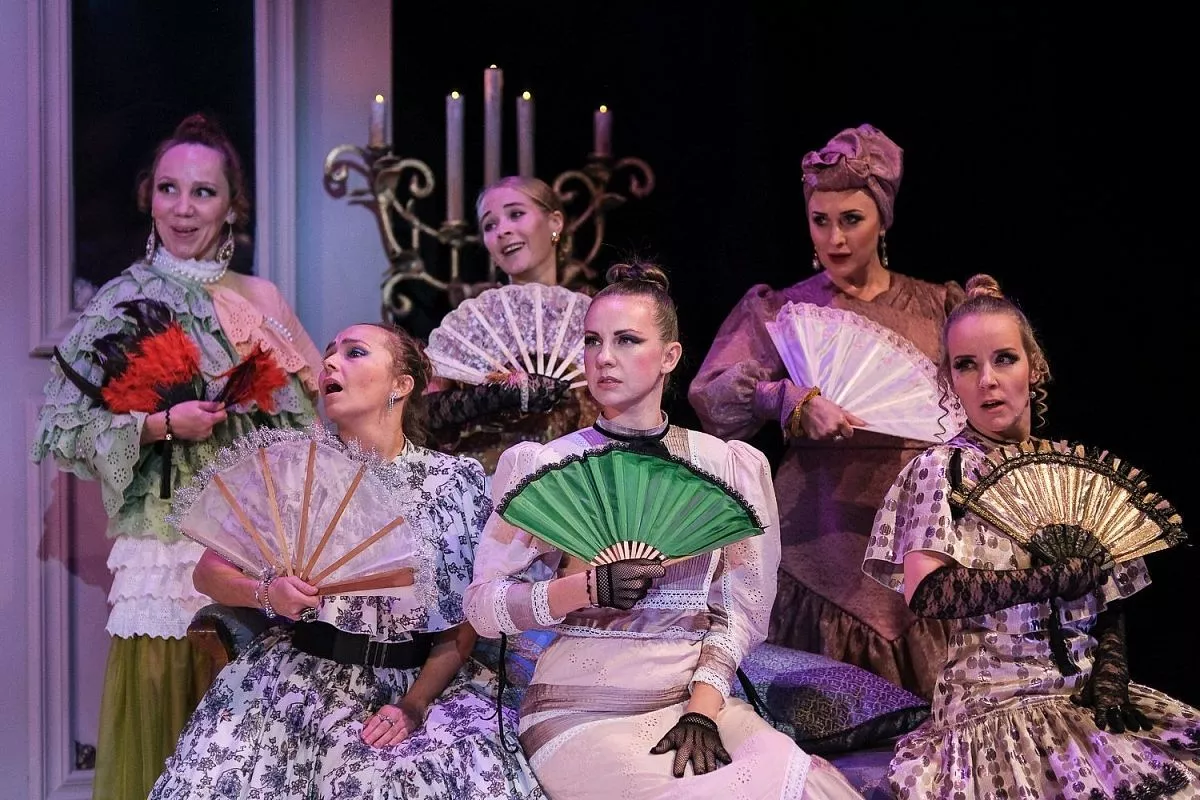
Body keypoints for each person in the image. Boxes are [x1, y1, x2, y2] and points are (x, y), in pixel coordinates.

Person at [465, 262, 864, 799]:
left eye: (627, 340)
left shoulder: (725, 466)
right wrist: (585, 589)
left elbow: (736, 615)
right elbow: (484, 608)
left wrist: (701, 711)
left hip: (692, 704)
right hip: (579, 710)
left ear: (670, 356)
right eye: (593, 341)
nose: (604, 358)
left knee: (806, 785)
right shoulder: (544, 465)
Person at [31, 113, 321, 800]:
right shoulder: (121, 302)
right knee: (167, 722)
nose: (183, 208)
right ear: (148, 198)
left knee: (249, 732)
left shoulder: (260, 299)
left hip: (254, 541)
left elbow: (310, 427)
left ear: (231, 206)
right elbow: (61, 431)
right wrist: (161, 424)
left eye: (203, 192)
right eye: (169, 189)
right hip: (165, 546)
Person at [150, 322, 544, 798]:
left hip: (423, 684)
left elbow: (461, 625)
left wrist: (414, 704)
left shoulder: (453, 482)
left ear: (401, 385)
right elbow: (208, 573)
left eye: (355, 353)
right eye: (330, 354)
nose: (330, 363)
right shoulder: (296, 473)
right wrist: (267, 593)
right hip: (306, 673)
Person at [863, 274, 1200, 799]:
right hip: (993, 707)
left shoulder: (1074, 474)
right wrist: (1048, 579)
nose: (987, 381)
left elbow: (1111, 600)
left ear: (1034, 367)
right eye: (966, 365)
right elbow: (928, 592)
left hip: (1084, 698)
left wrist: (1110, 678)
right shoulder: (942, 470)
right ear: (949, 380)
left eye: (1004, 359)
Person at [688, 123, 962, 699]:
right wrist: (789, 400)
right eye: (820, 221)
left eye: (851, 220)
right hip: (818, 537)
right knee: (823, 717)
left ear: (883, 220)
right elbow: (711, 392)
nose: (834, 238)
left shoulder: (938, 306)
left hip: (918, 529)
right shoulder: (785, 308)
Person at [426, 176, 601, 475]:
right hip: (491, 480)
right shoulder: (474, 324)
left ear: (555, 222)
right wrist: (493, 397)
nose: (502, 230)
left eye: (516, 214)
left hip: (580, 476)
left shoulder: (596, 314)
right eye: (489, 225)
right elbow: (423, 414)